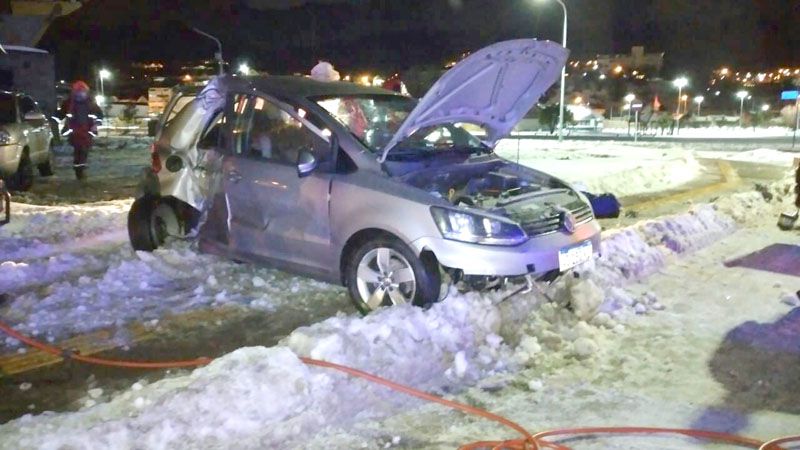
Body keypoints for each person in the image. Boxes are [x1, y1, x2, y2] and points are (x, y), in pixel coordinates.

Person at [56, 81, 103, 179]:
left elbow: (99, 114)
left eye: (82, 91)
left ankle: (80, 169)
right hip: (75, 131)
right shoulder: (70, 103)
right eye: (78, 91)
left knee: (83, 150)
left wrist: (97, 124)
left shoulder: (90, 103)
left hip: (86, 130)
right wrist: (53, 119)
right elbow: (61, 113)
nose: (80, 94)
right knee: (79, 150)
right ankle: (79, 170)